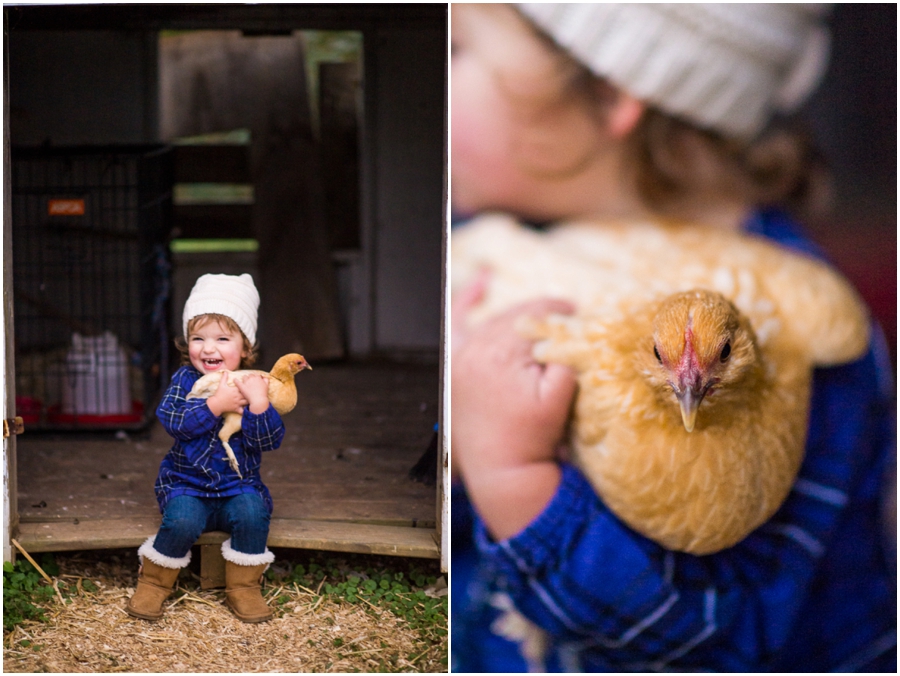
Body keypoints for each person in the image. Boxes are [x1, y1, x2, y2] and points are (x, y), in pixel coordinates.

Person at [450, 4, 896, 672]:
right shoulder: (503, 242)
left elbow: (726, 635)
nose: (442, 78)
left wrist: (511, 476)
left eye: (459, 49)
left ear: (608, 92)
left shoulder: (783, 335)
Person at [126, 273, 284, 624]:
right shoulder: (185, 381)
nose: (208, 348)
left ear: (245, 347)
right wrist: (214, 405)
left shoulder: (255, 383)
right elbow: (172, 422)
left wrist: (259, 405)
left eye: (222, 339)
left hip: (237, 485)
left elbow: (269, 441)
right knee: (182, 521)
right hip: (187, 484)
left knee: (253, 515)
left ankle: (244, 586)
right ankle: (154, 581)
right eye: (198, 338)